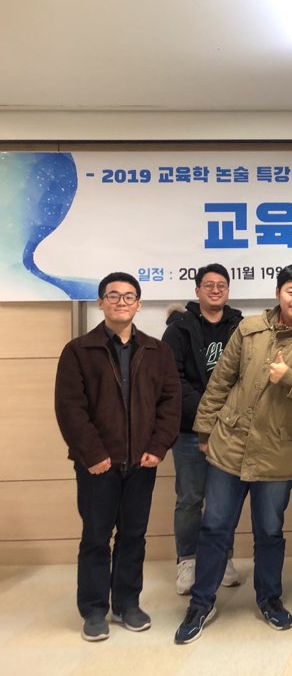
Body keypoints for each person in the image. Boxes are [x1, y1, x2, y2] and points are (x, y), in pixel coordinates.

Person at [174, 265, 292, 644]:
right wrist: (205, 430)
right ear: (278, 292)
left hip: (278, 450)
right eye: (291, 291)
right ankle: (201, 603)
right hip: (230, 444)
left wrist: (291, 378)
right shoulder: (250, 328)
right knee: (215, 527)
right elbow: (220, 381)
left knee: (269, 531)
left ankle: (269, 599)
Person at [54, 272, 180, 641]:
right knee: (96, 537)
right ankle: (94, 610)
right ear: (100, 303)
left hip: (142, 462)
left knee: (133, 536)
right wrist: (92, 454)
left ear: (138, 304)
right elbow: (70, 409)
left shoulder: (157, 351)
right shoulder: (79, 350)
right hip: (97, 465)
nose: (121, 302)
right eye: (113, 296)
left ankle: (127, 604)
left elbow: (170, 403)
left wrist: (158, 447)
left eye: (128, 296)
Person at [162, 263, 244, 595]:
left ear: (228, 291)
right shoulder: (178, 329)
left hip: (230, 430)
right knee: (190, 499)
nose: (215, 290)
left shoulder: (240, 327)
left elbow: (247, 376)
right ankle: (188, 560)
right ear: (197, 290)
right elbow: (173, 380)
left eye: (221, 285)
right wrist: (209, 413)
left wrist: (225, 416)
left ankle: (222, 557)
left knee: (225, 500)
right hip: (189, 430)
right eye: (208, 285)